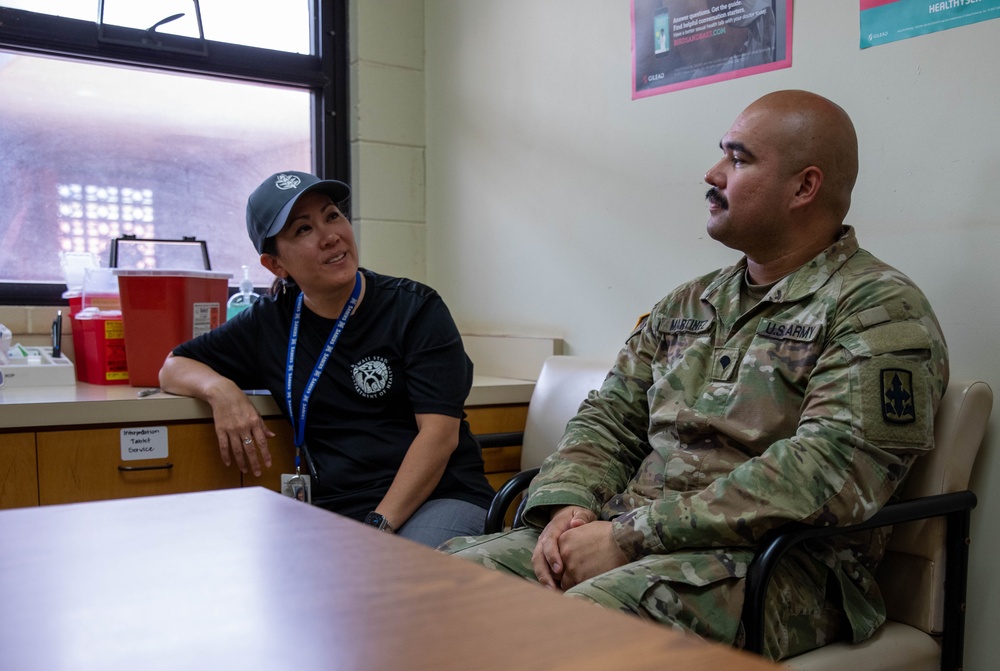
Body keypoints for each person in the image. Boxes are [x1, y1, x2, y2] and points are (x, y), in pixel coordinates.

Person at [443, 90, 949, 661]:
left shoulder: (878, 308)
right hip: (628, 535)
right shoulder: (687, 303)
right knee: (434, 586)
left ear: (804, 187)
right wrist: (570, 510)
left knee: (571, 631)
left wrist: (629, 537)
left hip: (777, 565)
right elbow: (608, 419)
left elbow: (826, 472)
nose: (712, 173)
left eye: (738, 158)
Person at [159, 171, 495, 548]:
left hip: (438, 498)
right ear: (275, 265)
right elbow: (173, 366)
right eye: (303, 230)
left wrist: (377, 528)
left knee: (398, 583)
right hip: (336, 510)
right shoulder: (271, 321)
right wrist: (219, 389)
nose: (330, 236)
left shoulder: (414, 309)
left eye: (332, 215)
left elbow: (439, 436)